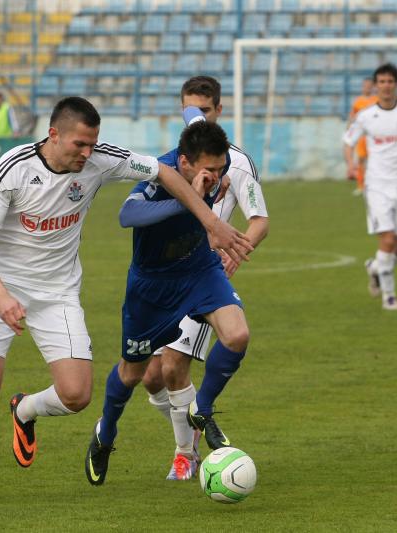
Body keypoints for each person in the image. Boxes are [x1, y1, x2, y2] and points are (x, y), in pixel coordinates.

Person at [0, 96, 252, 506]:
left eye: (93, 144)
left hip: (57, 292)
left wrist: (210, 221)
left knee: (76, 396)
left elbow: (162, 169)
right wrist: (2, 296)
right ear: (54, 134)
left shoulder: (100, 160)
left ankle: (24, 411)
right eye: (80, 145)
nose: (87, 154)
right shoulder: (13, 168)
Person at [84, 120, 252, 487]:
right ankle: (105, 434)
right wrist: (187, 201)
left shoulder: (211, 171)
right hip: (152, 288)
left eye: (222, 169)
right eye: (210, 170)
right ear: (185, 162)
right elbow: (127, 216)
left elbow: (194, 108)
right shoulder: (157, 176)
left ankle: (201, 409)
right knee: (133, 374)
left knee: (237, 335)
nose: (218, 177)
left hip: (199, 271)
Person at [137, 76, 270, 481]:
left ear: (219, 112)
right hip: (162, 277)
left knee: (175, 366)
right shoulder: (178, 159)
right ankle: (195, 424)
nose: (198, 121)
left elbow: (259, 219)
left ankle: (185, 452)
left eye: (206, 112)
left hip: (200, 276)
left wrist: (236, 252)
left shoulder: (238, 163)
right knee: (150, 377)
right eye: (191, 112)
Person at [343, 63, 397, 311]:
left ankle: (376, 267)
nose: (386, 86)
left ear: (396, 84)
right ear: (376, 85)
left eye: (390, 81)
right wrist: (351, 165)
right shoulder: (366, 116)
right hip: (377, 184)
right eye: (381, 82)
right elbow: (348, 142)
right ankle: (389, 297)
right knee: (389, 241)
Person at [347, 77, 378, 196]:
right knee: (361, 160)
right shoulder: (358, 101)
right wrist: (348, 129)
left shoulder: (377, 100)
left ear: (373, 86)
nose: (367, 87)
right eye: (365, 85)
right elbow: (352, 117)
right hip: (361, 137)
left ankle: (374, 185)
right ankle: (360, 186)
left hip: (374, 136)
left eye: (370, 85)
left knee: (374, 161)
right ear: (362, 86)